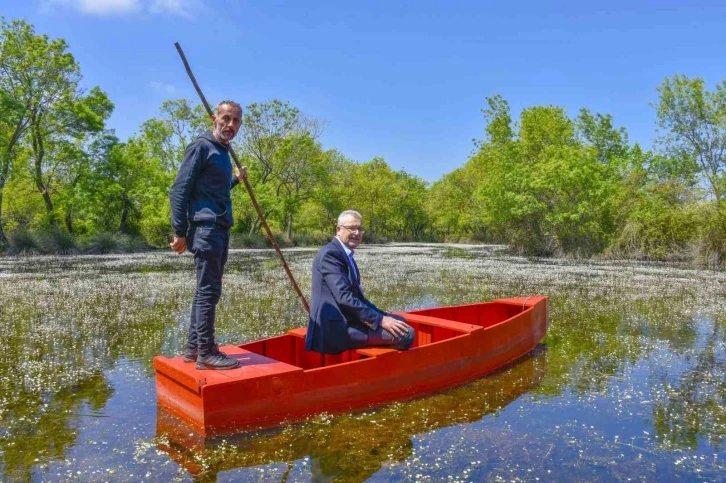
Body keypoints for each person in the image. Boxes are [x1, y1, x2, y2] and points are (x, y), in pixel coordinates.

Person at [169, 100, 246, 370]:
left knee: (206, 291)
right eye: (226, 118)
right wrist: (179, 231)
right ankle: (206, 353)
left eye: (236, 121)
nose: (230, 125)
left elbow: (215, 192)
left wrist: (236, 180)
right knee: (208, 291)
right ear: (214, 118)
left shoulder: (222, 152)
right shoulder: (201, 146)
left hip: (219, 227)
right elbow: (179, 190)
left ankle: (193, 349)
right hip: (205, 229)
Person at [305, 210, 415, 354]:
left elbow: (358, 298)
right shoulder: (330, 254)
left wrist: (383, 316)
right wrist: (381, 321)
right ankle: (376, 370)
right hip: (335, 329)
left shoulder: (345, 254)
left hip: (347, 320)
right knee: (407, 334)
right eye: (352, 228)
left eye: (360, 229)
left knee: (400, 320)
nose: (357, 233)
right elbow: (344, 297)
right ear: (338, 229)